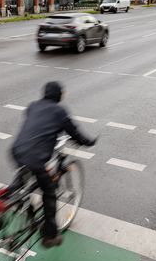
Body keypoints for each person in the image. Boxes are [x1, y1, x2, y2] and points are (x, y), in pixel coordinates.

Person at [10, 81, 96, 248]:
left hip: (17, 150)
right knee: (49, 192)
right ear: (58, 95)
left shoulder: (32, 106)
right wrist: (88, 141)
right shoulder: (59, 111)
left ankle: (10, 201)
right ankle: (49, 236)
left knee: (23, 177)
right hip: (36, 157)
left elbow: (37, 126)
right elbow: (74, 132)